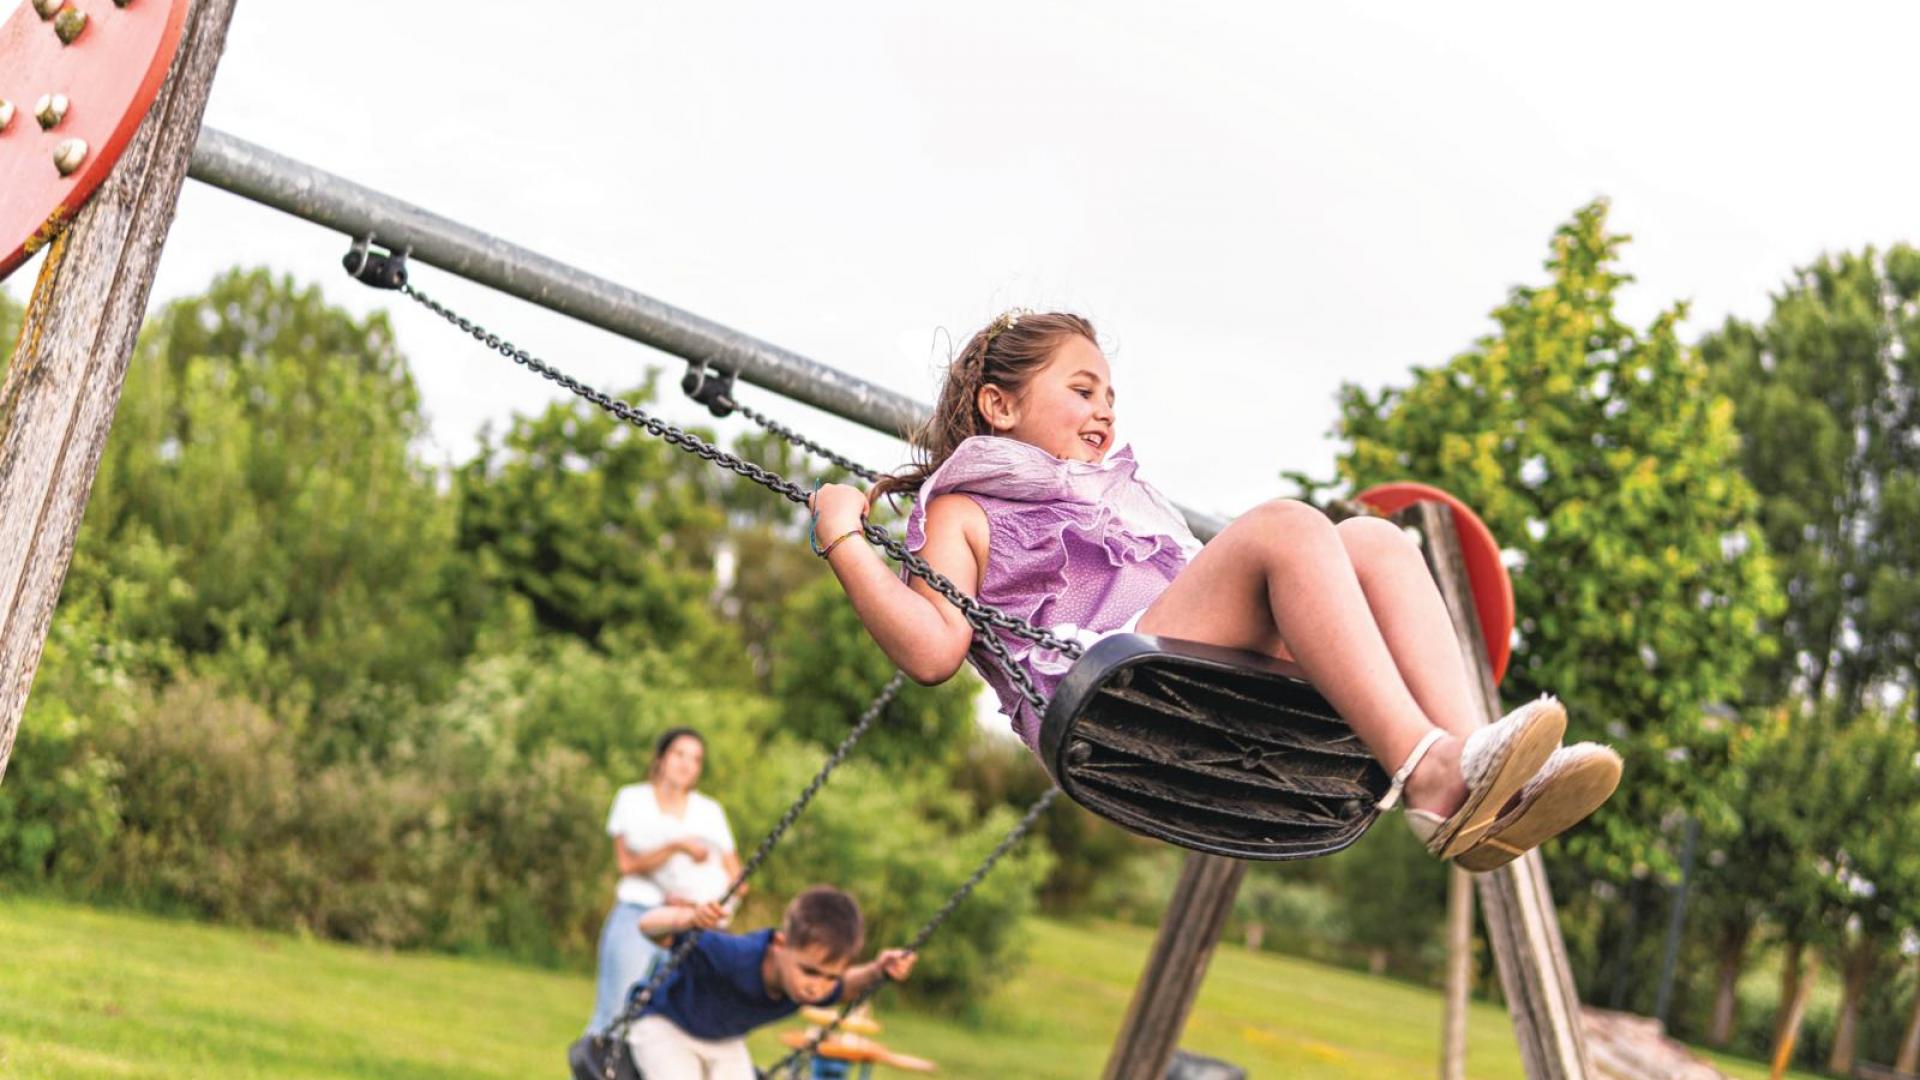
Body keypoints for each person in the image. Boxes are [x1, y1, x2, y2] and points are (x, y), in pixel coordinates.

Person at [807, 310, 1621, 870]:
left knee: (1372, 538)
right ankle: (1435, 774)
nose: (1103, 411)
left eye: (1110, 397)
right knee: (1285, 528)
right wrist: (845, 535)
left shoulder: (1111, 497)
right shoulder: (965, 507)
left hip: (1191, 656)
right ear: (1000, 403)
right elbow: (932, 648)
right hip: (1115, 680)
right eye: (1082, 389)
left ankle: (1474, 781)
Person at [626, 885, 916, 1079]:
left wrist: (878, 970)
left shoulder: (807, 987)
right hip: (665, 1024)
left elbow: (847, 988)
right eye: (810, 972)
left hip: (723, 1041)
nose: (817, 987)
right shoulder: (735, 955)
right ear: (780, 943)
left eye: (831, 977)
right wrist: (687, 917)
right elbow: (649, 927)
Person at [588, 727, 742, 1035]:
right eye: (679, 755)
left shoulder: (709, 811)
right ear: (660, 758)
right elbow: (626, 864)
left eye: (696, 759)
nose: (687, 765)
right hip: (638, 912)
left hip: (691, 923)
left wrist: (699, 904)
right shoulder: (632, 799)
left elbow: (737, 878)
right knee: (614, 1014)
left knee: (666, 1027)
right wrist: (677, 845)